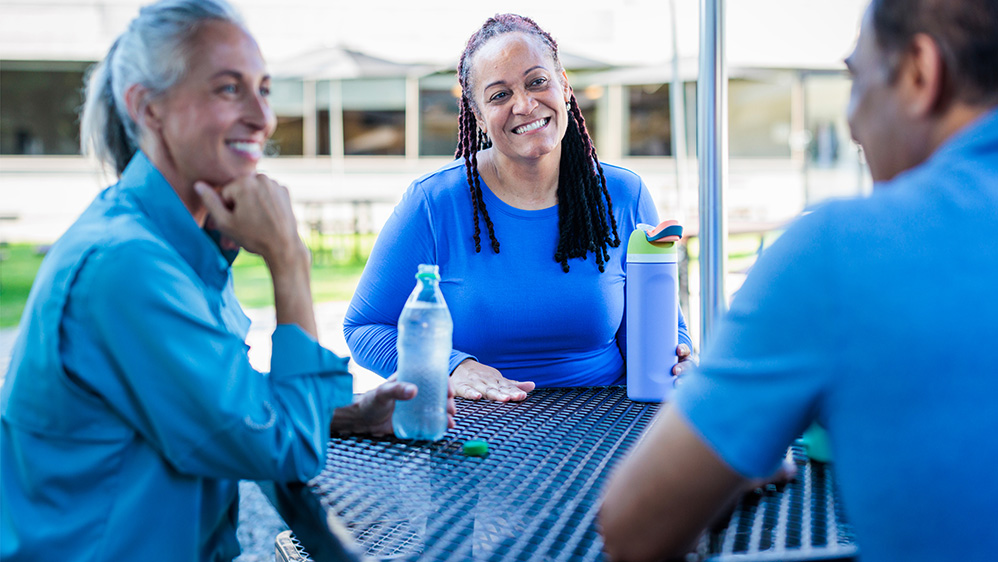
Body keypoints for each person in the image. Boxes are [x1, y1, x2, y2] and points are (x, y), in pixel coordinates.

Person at [0, 1, 453, 560]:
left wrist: (348, 414)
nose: (263, 119)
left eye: (263, 89)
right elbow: (288, 450)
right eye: (228, 89)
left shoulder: (177, 237)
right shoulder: (127, 264)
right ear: (149, 107)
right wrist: (289, 261)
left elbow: (214, 395)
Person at [599, 0, 998, 560]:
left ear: (919, 73)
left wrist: (735, 461)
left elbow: (632, 529)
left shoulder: (840, 251)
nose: (854, 122)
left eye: (856, 82)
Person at [343, 14, 694, 402]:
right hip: (477, 426)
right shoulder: (434, 203)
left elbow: (659, 330)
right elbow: (366, 328)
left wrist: (678, 357)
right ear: (477, 115)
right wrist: (450, 365)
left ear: (563, 85)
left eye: (536, 82)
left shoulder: (623, 194)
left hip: (606, 421)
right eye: (499, 95)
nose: (524, 105)